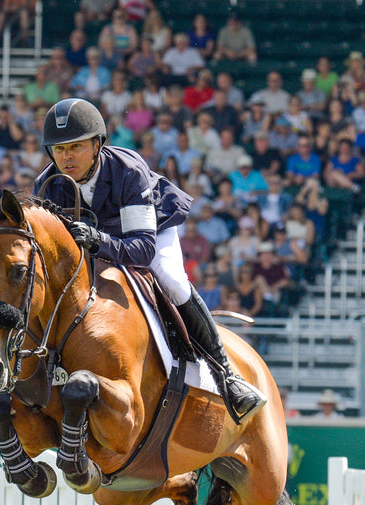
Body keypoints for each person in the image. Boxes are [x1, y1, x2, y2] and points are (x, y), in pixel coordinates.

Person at [33, 98, 264, 423]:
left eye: (76, 147)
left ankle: (225, 373)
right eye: (59, 150)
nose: (66, 157)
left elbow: (141, 250)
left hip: (149, 231)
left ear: (97, 144)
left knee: (170, 278)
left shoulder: (128, 171)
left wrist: (98, 241)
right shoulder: (48, 187)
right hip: (95, 241)